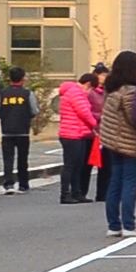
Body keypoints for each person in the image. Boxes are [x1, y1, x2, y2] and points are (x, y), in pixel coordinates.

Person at [98, 49, 136, 234]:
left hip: (112, 141)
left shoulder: (111, 88)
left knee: (115, 182)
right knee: (130, 183)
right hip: (129, 141)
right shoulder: (130, 91)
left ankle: (114, 225)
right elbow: (134, 118)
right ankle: (129, 224)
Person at [54, 66, 101, 204]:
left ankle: (76, 192)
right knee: (71, 165)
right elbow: (84, 112)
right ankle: (66, 193)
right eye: (91, 88)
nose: (90, 91)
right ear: (87, 84)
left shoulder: (73, 92)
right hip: (71, 134)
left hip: (76, 133)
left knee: (78, 164)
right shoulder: (76, 92)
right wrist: (95, 125)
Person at [0, 67, 36, 192]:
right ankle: (23, 184)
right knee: (22, 159)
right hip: (23, 131)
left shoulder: (3, 94)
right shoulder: (28, 94)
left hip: (7, 131)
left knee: (8, 159)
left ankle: (8, 184)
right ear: (23, 78)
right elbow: (34, 110)